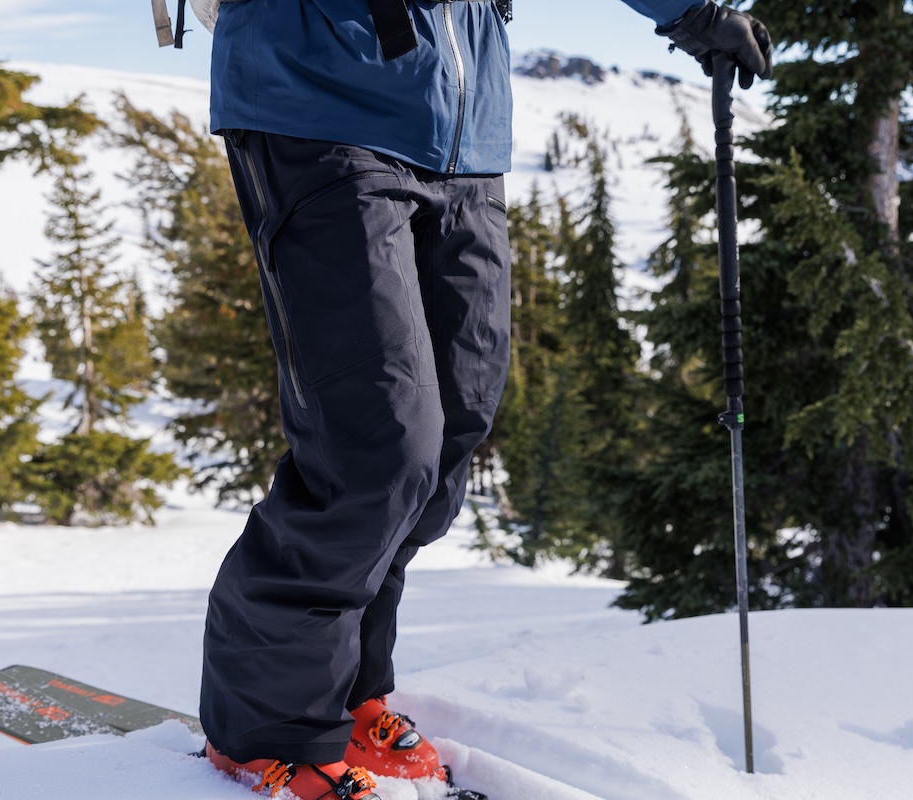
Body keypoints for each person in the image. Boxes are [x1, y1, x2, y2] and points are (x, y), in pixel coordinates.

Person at [197, 2, 772, 799]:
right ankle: (266, 723)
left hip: (466, 134)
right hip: (317, 101)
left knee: (451, 433)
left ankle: (351, 691)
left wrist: (691, 10)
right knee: (379, 445)